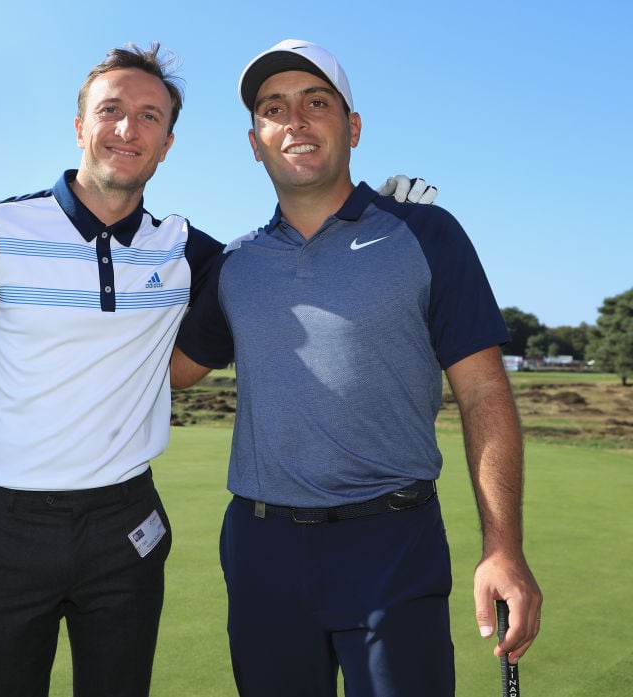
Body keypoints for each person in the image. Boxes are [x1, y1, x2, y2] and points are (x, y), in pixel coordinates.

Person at [0, 41, 433, 697]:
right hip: (8, 528)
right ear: (80, 126)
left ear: (169, 142)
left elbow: (289, 263)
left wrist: (375, 220)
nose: (128, 129)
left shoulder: (183, 248)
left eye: (150, 116)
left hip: (126, 527)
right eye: (112, 110)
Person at [171, 39, 542, 696]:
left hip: (393, 542)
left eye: (317, 103)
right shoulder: (234, 265)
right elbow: (171, 371)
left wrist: (503, 545)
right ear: (255, 141)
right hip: (262, 550)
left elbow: (484, 390)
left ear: (353, 126)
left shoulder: (427, 235)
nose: (296, 122)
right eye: (273, 109)